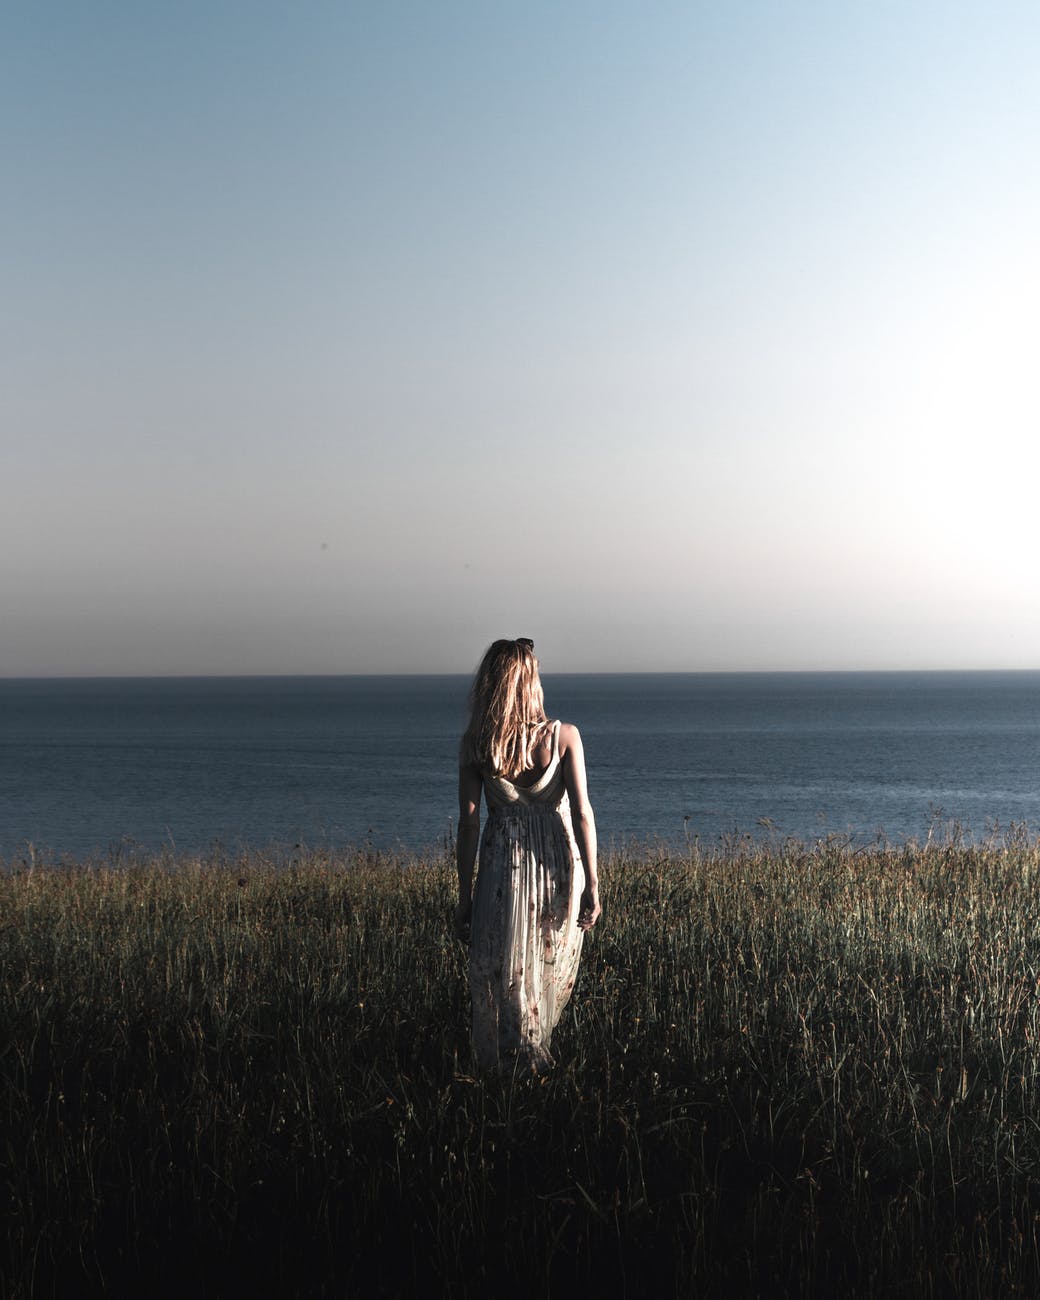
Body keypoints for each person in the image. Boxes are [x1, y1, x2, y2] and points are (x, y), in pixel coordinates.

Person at [454, 637, 601, 1072]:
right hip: (557, 863)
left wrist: (464, 897)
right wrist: (592, 882)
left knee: (507, 971)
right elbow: (582, 814)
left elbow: (467, 824)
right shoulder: (564, 737)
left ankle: (513, 1068)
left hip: (504, 868)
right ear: (530, 681)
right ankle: (532, 1065)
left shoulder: (476, 745)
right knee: (543, 963)